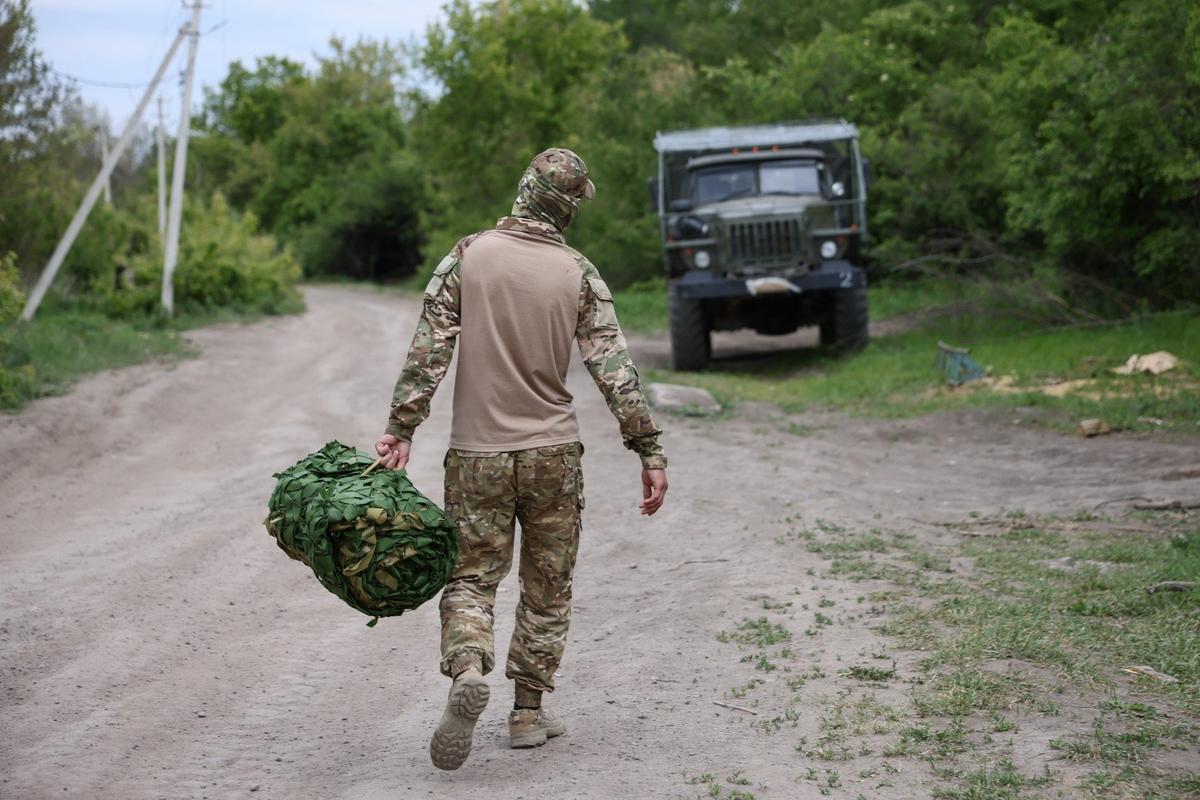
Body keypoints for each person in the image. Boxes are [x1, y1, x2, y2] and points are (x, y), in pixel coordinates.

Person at [374, 148, 668, 771]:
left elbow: (429, 349)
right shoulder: (578, 272)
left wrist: (402, 427)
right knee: (547, 584)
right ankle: (528, 714)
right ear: (568, 205)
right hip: (551, 455)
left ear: (523, 190)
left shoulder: (468, 255)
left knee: (472, 578)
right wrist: (647, 447)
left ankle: (470, 667)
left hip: (476, 454)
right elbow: (614, 370)